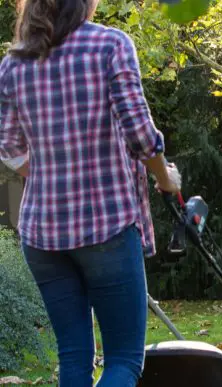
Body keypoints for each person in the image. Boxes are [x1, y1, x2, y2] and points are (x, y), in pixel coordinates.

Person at [0, 1, 180, 386]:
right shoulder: (110, 45)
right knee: (124, 360)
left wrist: (54, 173)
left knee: (73, 357)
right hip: (106, 229)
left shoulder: (14, 63)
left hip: (43, 235)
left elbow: (11, 150)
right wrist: (167, 180)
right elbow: (141, 135)